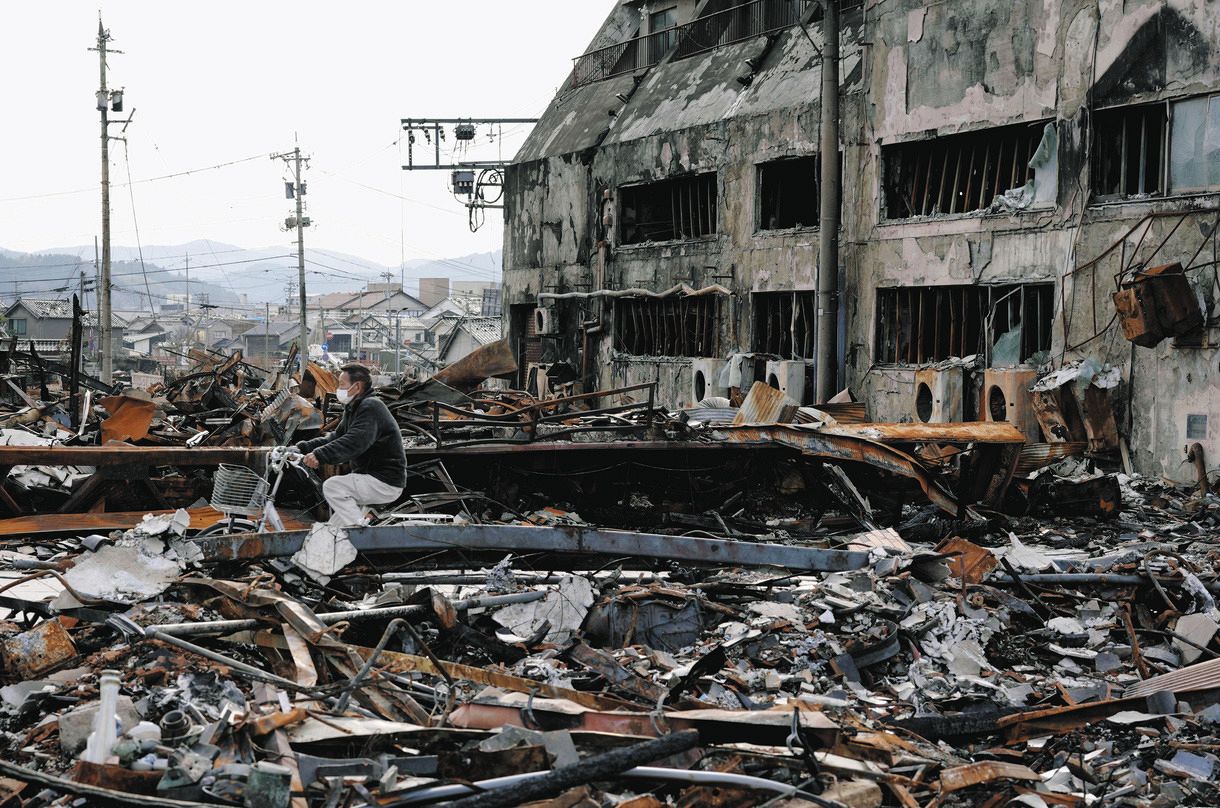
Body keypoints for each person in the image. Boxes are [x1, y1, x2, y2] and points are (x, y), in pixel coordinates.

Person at [291, 364, 406, 527]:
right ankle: (355, 535)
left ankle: (360, 533)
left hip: (384, 480)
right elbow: (335, 437)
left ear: (357, 387)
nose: (338, 389)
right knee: (331, 532)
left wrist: (320, 455)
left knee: (333, 486)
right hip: (368, 478)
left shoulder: (371, 407)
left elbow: (354, 442)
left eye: (342, 384)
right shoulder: (354, 408)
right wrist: (301, 448)